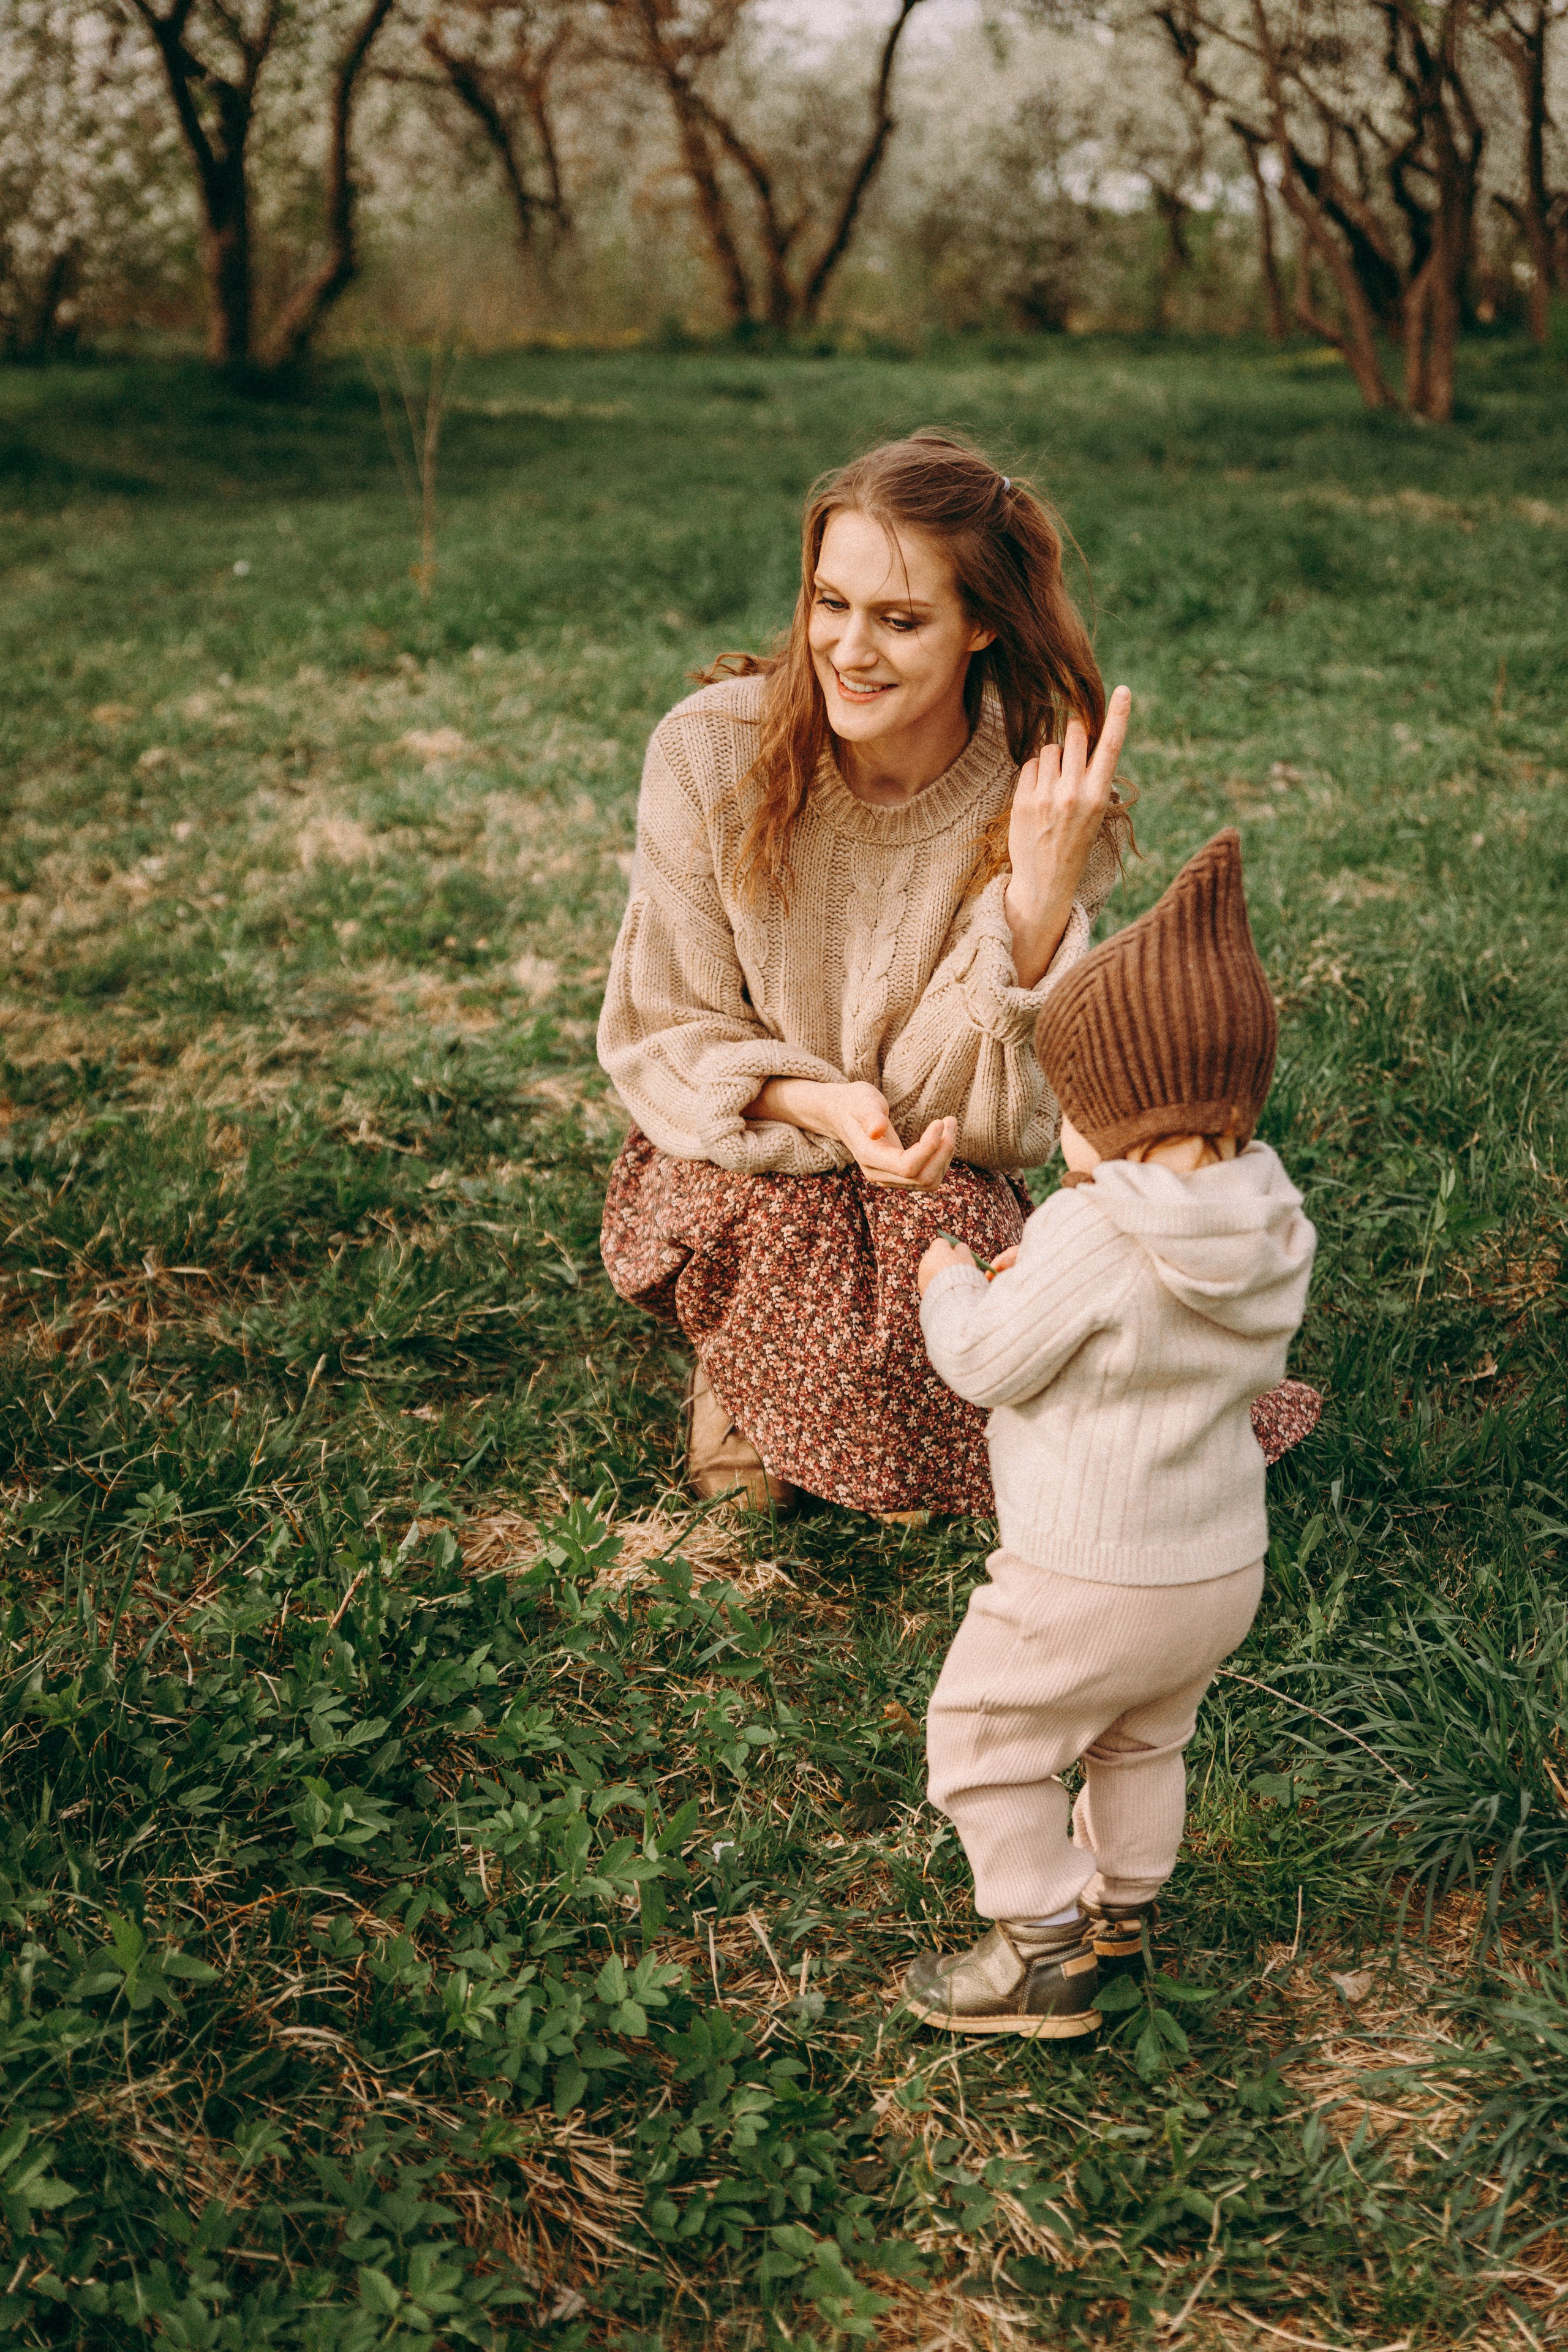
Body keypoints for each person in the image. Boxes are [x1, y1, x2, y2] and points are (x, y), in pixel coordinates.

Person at [597, 430, 1133, 1518]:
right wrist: (822, 1104)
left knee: (1045, 1430)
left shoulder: (1043, 800)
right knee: (767, 1439)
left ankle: (839, 1386)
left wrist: (1035, 900)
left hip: (936, 1165)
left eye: (900, 619)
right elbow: (666, 1029)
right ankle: (748, 1365)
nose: (850, 649)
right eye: (829, 603)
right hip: (750, 1146)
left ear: (981, 624)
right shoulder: (708, 753)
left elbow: (986, 1121)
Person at [903, 830, 1316, 2037]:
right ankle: (1121, 1918)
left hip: (1083, 1572)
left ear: (1113, 1113)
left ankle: (1037, 1945)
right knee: (1140, 1738)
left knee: (980, 1738)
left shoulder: (1092, 1232)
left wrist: (947, 1276)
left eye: (1068, 1111)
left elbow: (983, 1361)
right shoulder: (1265, 1219)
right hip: (1211, 1569)